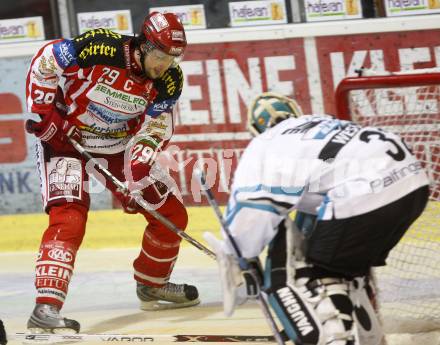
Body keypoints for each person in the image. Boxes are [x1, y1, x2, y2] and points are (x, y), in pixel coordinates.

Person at [205, 92, 430, 345]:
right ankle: (369, 337)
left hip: (366, 193)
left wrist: (239, 259)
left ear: (255, 129)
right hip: (414, 187)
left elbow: (250, 214)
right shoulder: (319, 124)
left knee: (307, 274)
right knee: (342, 266)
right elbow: (322, 183)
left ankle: (337, 340)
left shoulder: (264, 144)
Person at [25, 12, 199, 334]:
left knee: (170, 213)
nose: (164, 65)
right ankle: (46, 307)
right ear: (143, 46)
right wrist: (45, 112)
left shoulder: (169, 81)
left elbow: (156, 126)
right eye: (159, 56)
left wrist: (137, 169)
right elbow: (47, 60)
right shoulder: (101, 47)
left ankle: (152, 284)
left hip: (119, 147)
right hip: (66, 140)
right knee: (69, 216)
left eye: (172, 59)